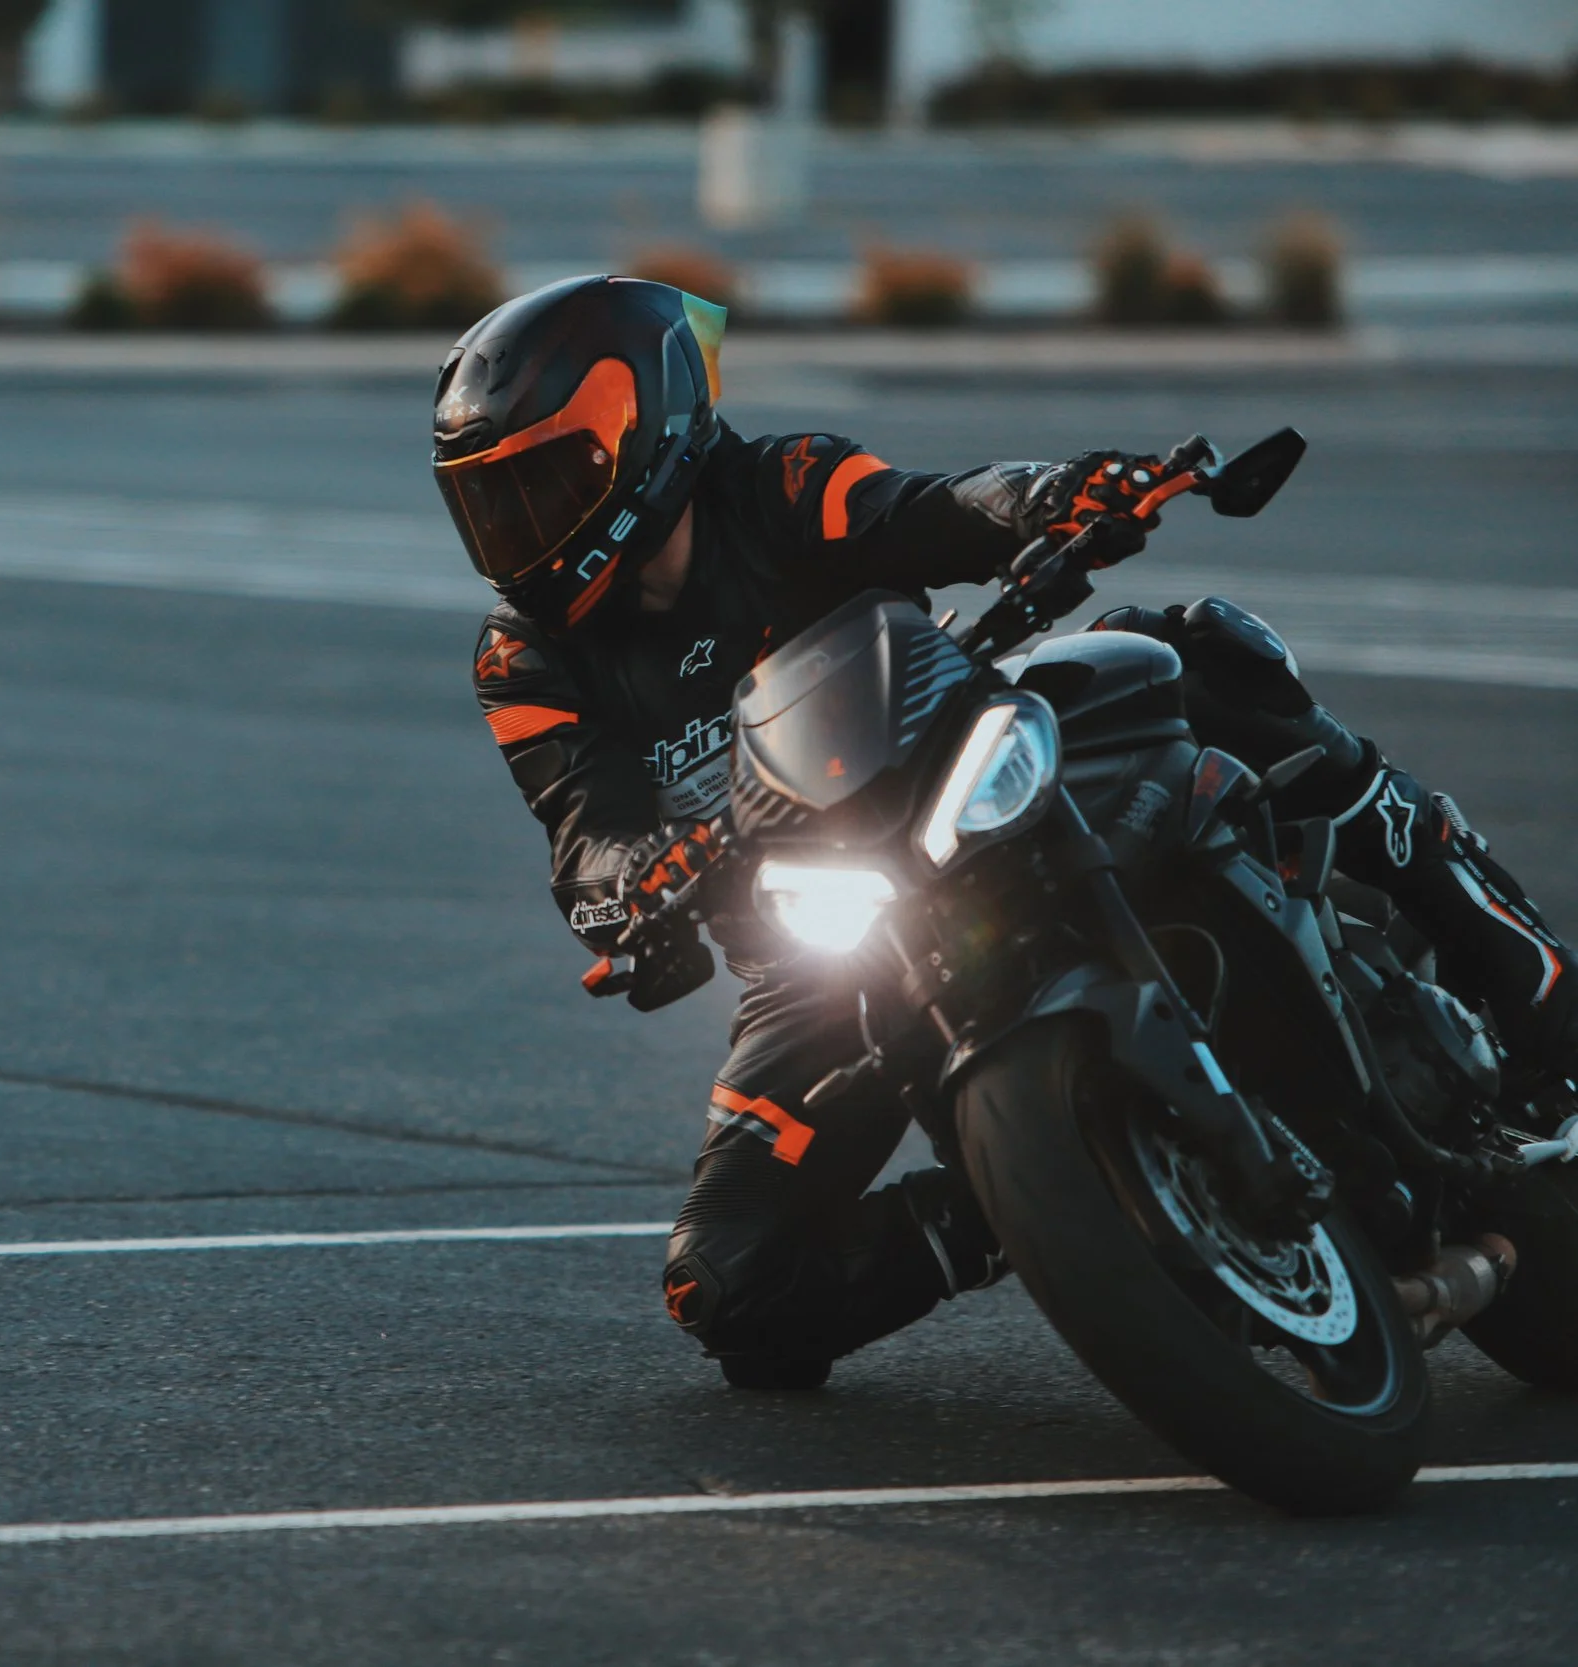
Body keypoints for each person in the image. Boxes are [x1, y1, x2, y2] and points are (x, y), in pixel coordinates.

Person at [435, 276, 1577, 1391]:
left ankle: (1511, 955)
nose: (513, 529)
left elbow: (933, 507)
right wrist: (635, 882)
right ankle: (1027, 1199)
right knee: (732, 1287)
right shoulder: (522, 658)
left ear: (640, 438)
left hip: (963, 786)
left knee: (1190, 649)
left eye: (540, 485)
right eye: (489, 500)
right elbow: (581, 833)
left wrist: (1058, 496)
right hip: (821, 944)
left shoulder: (777, 482)